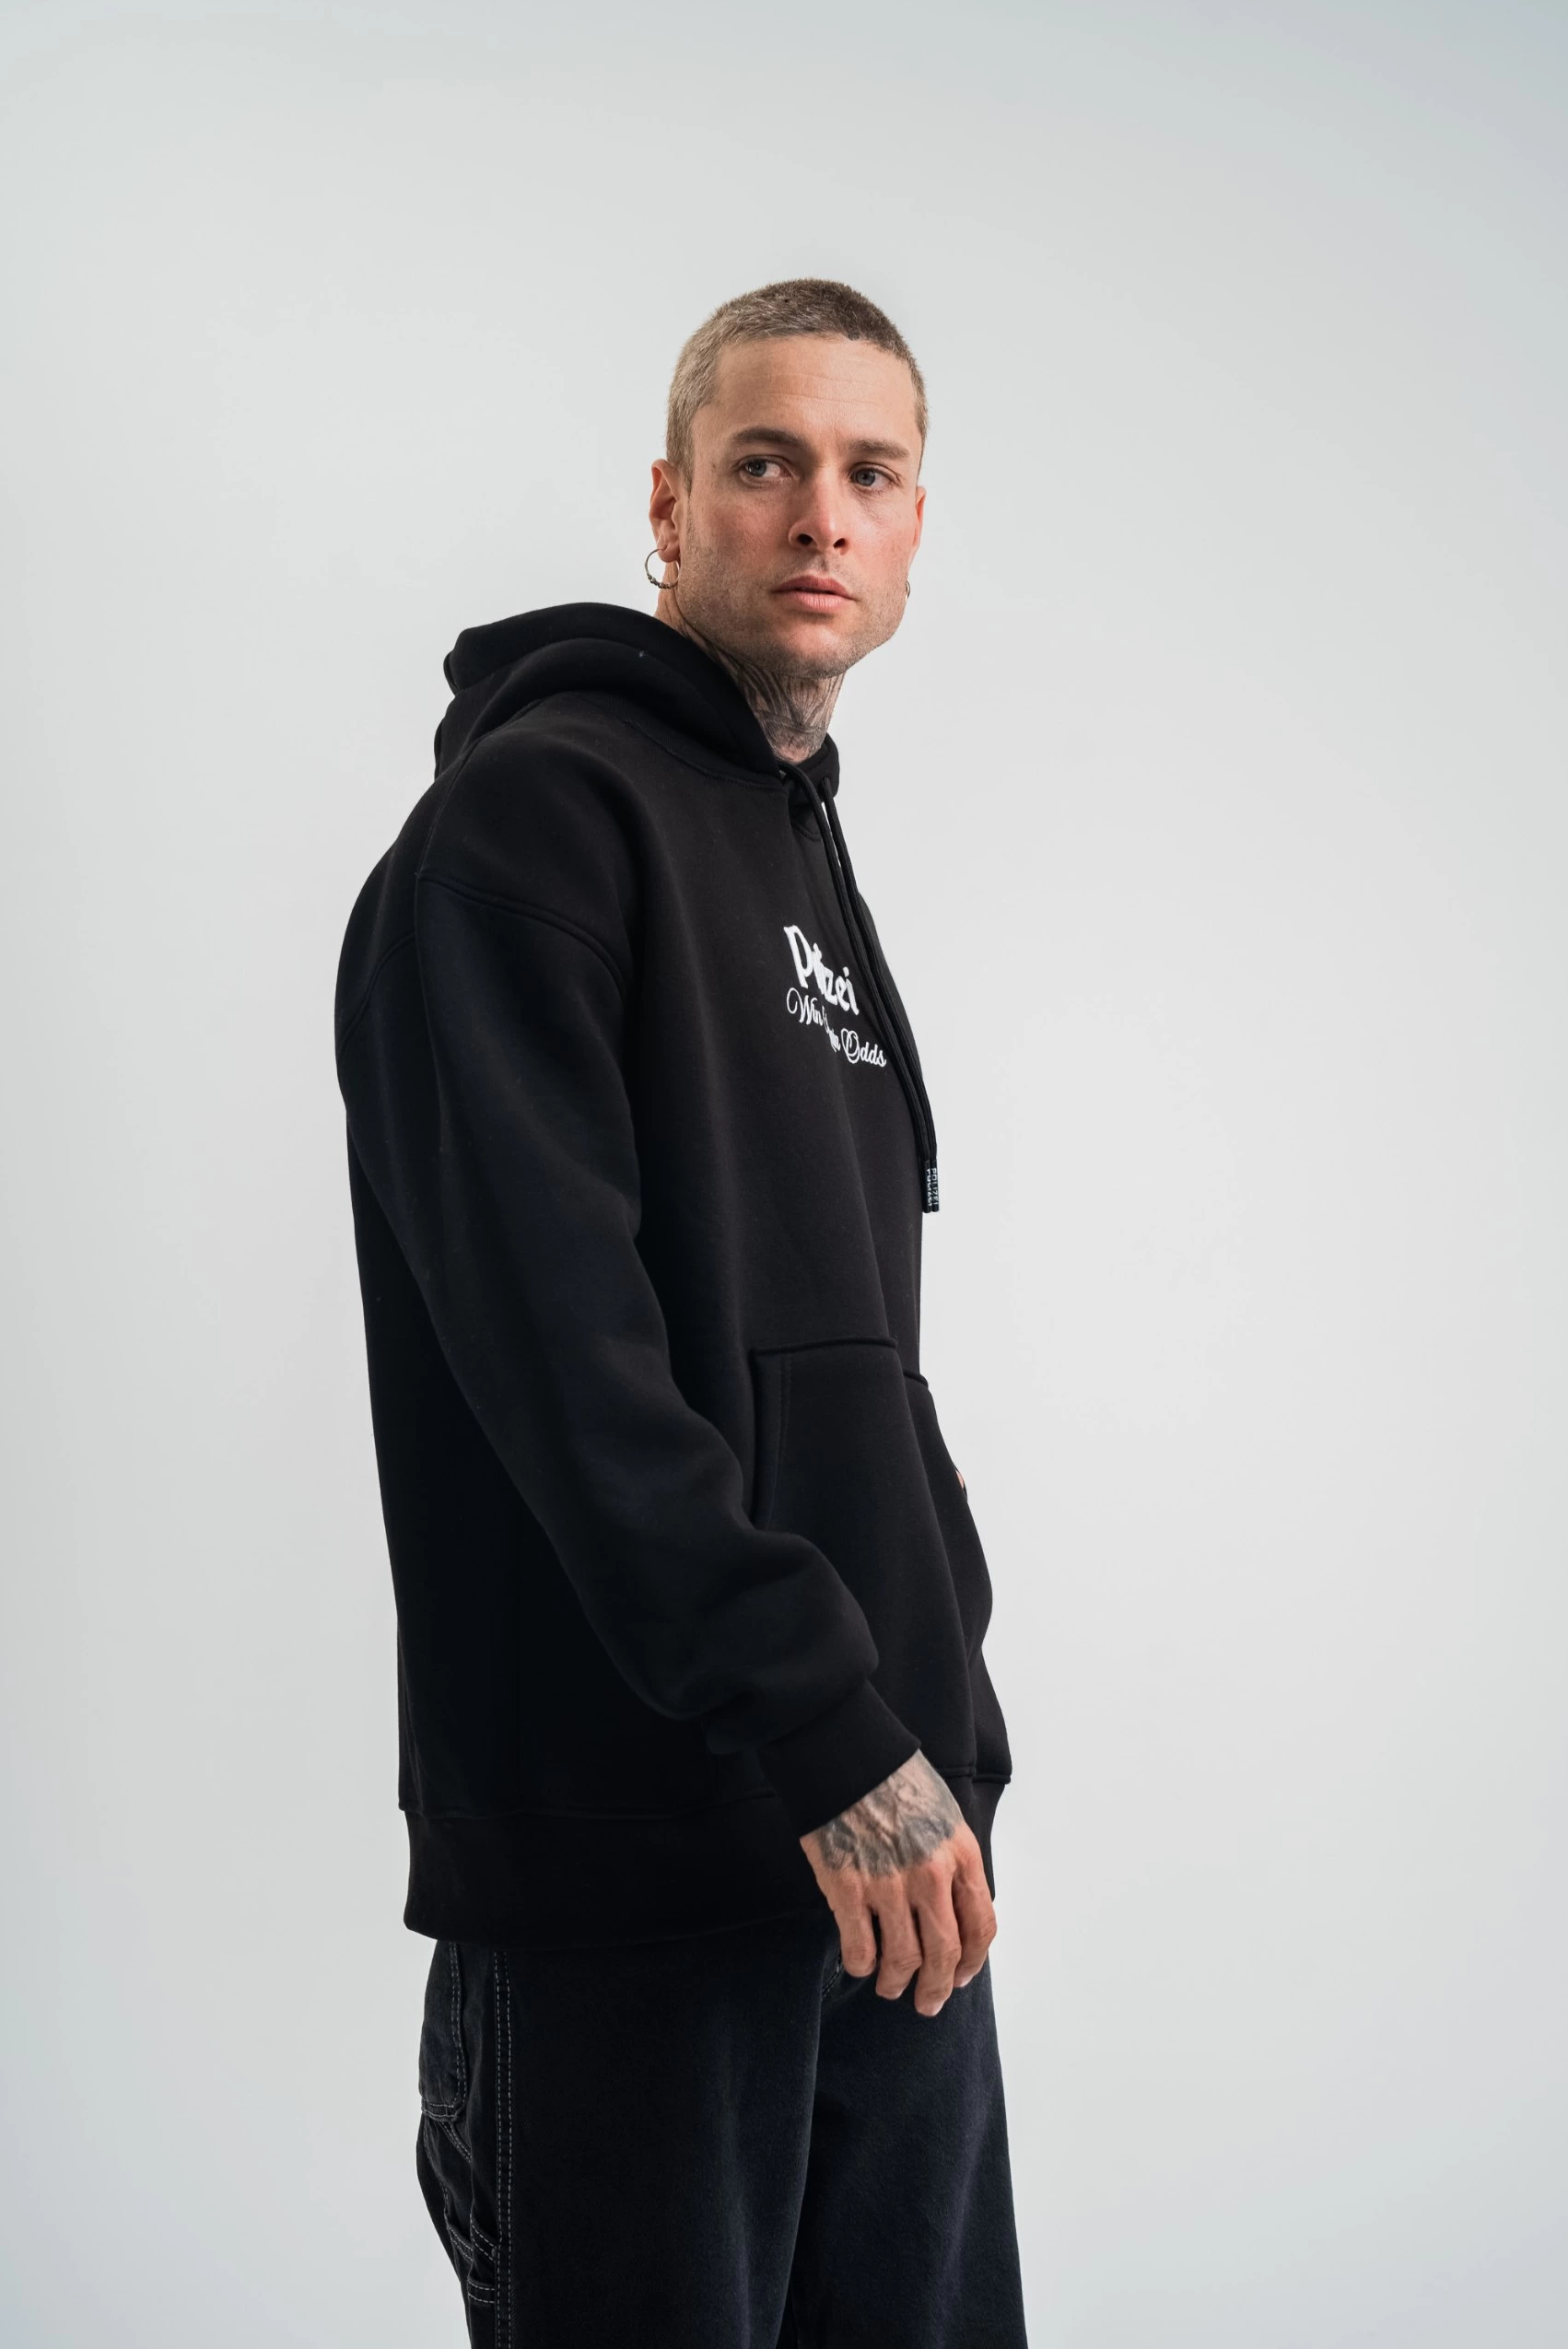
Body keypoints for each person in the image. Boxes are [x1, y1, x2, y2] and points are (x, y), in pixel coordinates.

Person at [334, 277, 1028, 2347]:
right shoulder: (531, 829)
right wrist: (820, 1722)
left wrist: (934, 1729)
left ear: (913, 526)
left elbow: (858, 1375)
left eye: (869, 473)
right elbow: (566, 1367)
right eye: (764, 462)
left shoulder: (805, 854)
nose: (820, 512)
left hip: (887, 1869)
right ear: (668, 505)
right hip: (640, 1887)